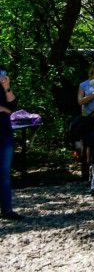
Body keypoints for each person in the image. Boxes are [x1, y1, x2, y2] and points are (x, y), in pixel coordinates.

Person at [0, 68, 21, 220]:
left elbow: (12, 107)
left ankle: (7, 210)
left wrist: (6, 87)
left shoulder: (3, 87)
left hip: (4, 133)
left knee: (5, 174)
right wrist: (3, 109)